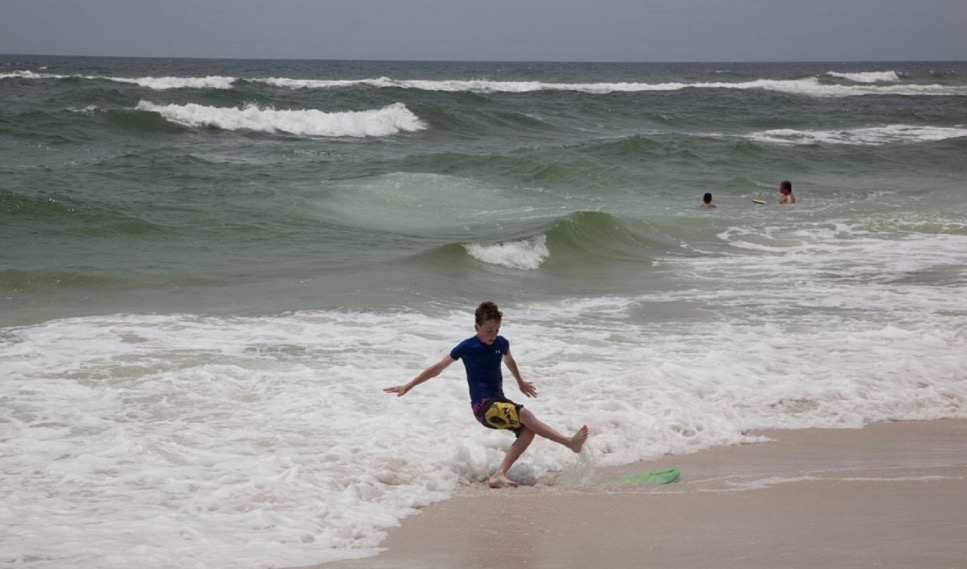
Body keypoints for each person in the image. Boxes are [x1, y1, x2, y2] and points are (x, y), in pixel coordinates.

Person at [384, 301, 589, 489]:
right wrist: (408, 385)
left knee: (527, 432)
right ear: (477, 328)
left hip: (499, 403)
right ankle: (568, 443)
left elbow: (509, 361)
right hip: (483, 407)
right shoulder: (467, 347)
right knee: (525, 414)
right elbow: (438, 367)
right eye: (488, 330)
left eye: (496, 330)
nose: (493, 335)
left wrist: (520, 382)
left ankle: (499, 475)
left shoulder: (501, 343)